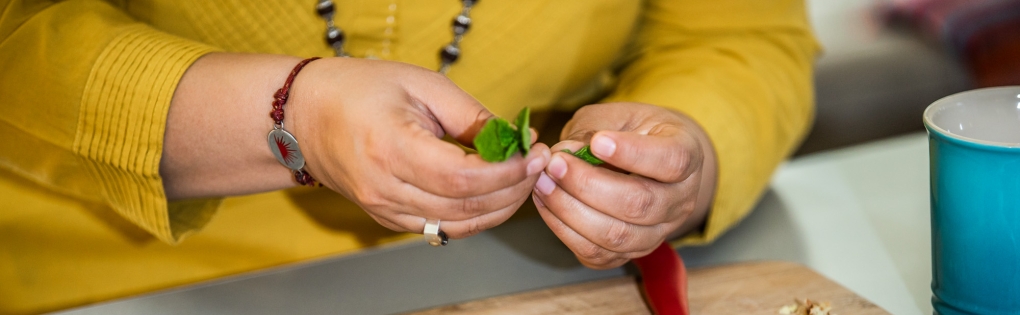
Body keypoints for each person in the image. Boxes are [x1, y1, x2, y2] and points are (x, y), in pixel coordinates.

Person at [0, 0, 819, 313]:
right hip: (109, 281)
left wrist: (690, 146)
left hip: (531, 277)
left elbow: (736, 33)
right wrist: (290, 116)